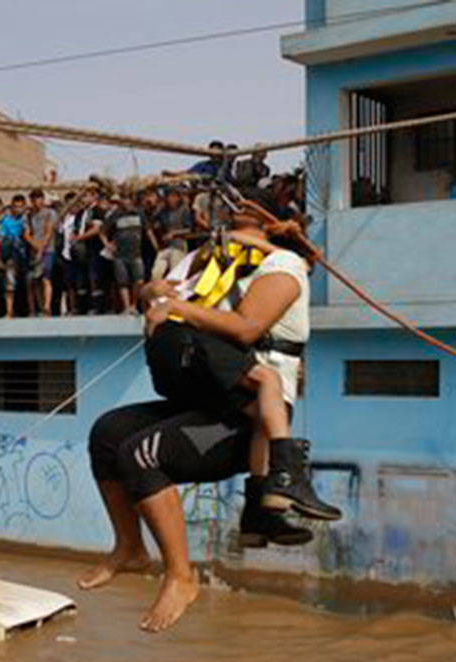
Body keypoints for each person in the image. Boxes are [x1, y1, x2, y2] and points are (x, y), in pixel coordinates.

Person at [81, 207, 331, 632]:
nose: (228, 232)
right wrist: (151, 291)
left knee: (143, 453)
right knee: (108, 433)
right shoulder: (215, 259)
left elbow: (247, 328)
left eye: (238, 224)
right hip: (211, 393)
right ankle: (129, 547)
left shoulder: (281, 266)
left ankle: (181, 576)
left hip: (250, 414)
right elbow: (162, 294)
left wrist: (178, 307)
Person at [144, 214, 340, 523]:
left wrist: (154, 291)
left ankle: (260, 513)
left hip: (187, 342)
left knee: (265, 415)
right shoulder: (229, 257)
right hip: (192, 339)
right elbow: (246, 322)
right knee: (267, 383)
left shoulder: (250, 261)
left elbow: (304, 257)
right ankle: (287, 477)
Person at [102, 193, 145, 314]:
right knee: (123, 282)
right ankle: (127, 307)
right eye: (125, 198)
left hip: (136, 252)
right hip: (120, 254)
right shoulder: (115, 215)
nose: (127, 201)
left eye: (128, 198)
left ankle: (134, 305)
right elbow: (103, 231)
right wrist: (107, 244)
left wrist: (157, 247)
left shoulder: (139, 213)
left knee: (139, 280)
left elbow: (148, 230)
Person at [27, 189, 58, 317]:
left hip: (48, 250)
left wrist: (41, 248)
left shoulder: (50, 213)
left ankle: (47, 306)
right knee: (36, 280)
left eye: (38, 198)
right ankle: (40, 307)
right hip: (34, 250)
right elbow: (26, 234)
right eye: (33, 199)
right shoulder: (29, 215)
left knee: (46, 278)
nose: (36, 202)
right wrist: (34, 245)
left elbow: (49, 232)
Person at [151, 188, 192, 280]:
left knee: (175, 275)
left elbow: (189, 229)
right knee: (155, 274)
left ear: (177, 197)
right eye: (168, 196)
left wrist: (174, 233)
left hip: (178, 246)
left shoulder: (184, 210)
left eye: (172, 196)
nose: (169, 199)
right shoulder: (162, 212)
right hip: (164, 246)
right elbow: (154, 225)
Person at [0, 194, 29, 317]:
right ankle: (9, 311)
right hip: (11, 256)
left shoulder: (27, 219)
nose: (18, 209)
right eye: (16, 207)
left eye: (21, 207)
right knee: (10, 284)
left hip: (25, 255)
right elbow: (1, 240)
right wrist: (0, 258)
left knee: (27, 283)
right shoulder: (6, 221)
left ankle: (30, 310)